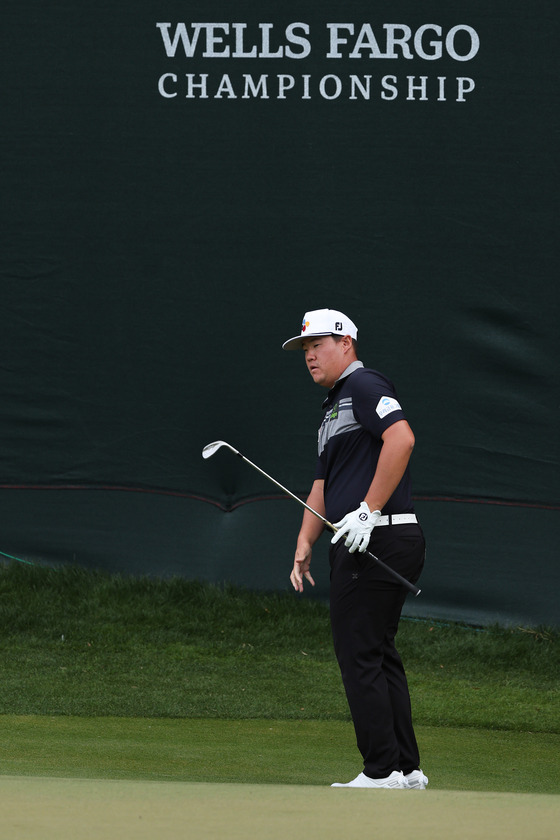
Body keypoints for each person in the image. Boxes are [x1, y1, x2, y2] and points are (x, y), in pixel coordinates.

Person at [283, 308, 427, 790]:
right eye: (305, 349)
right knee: (377, 652)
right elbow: (324, 483)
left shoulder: (363, 386)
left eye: (317, 345)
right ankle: (406, 769)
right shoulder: (331, 408)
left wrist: (367, 510)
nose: (309, 356)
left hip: (378, 536)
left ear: (346, 343)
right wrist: (305, 541)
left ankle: (381, 769)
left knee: (358, 652)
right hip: (375, 536)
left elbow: (401, 439)